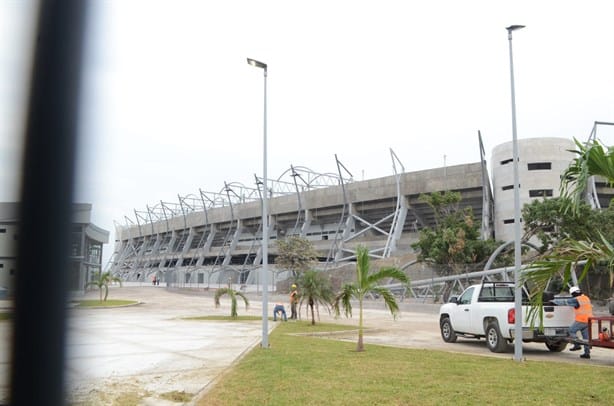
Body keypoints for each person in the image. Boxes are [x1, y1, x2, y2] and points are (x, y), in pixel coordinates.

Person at [552, 286, 593, 359]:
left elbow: (565, 302)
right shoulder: (586, 298)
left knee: (571, 330)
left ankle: (577, 345)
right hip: (589, 320)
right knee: (586, 338)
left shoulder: (577, 299)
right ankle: (587, 353)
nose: (572, 296)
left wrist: (553, 301)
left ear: (573, 293)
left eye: (572, 295)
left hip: (581, 320)